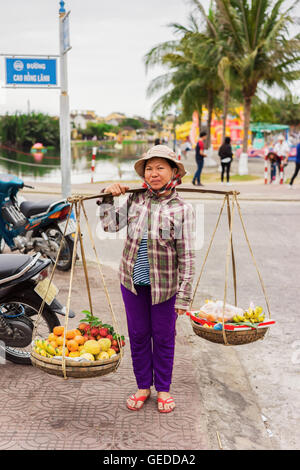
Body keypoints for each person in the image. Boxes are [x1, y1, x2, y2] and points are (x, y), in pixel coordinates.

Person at [98, 145, 195, 413]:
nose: (154, 173)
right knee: (138, 335)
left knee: (164, 336)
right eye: (149, 168)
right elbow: (109, 225)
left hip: (165, 287)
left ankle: (163, 388)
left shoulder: (182, 209)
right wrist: (108, 197)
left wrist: (184, 295)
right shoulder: (136, 200)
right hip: (132, 283)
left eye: (160, 167)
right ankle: (143, 386)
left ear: (173, 172)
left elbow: (186, 255)